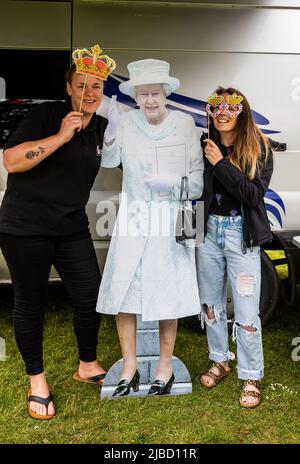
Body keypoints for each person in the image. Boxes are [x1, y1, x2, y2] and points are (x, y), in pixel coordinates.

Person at [0, 47, 115, 419]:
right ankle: (37, 380)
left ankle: (87, 364)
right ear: (68, 87)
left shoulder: (100, 127)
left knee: (89, 295)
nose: (89, 92)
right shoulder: (46, 115)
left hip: (70, 228)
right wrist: (61, 137)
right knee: (30, 302)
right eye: (81, 85)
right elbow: (12, 162)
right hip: (25, 228)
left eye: (96, 86)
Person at [96, 59, 204, 397]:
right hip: (133, 218)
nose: (151, 100)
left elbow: (198, 183)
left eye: (156, 93)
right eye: (144, 94)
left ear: (167, 93)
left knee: (167, 294)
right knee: (124, 292)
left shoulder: (185, 124)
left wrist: (171, 185)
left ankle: (164, 366)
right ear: (136, 96)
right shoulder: (127, 122)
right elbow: (109, 162)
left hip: (169, 219)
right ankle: (129, 367)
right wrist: (111, 133)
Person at [196, 87, 273, 408]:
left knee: (245, 307)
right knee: (210, 303)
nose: (223, 113)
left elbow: (253, 196)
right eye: (217, 108)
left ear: (243, 111)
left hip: (241, 235)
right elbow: (190, 188)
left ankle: (251, 374)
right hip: (208, 232)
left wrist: (221, 164)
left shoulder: (260, 149)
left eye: (232, 107)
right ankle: (220, 360)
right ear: (210, 112)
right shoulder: (201, 146)